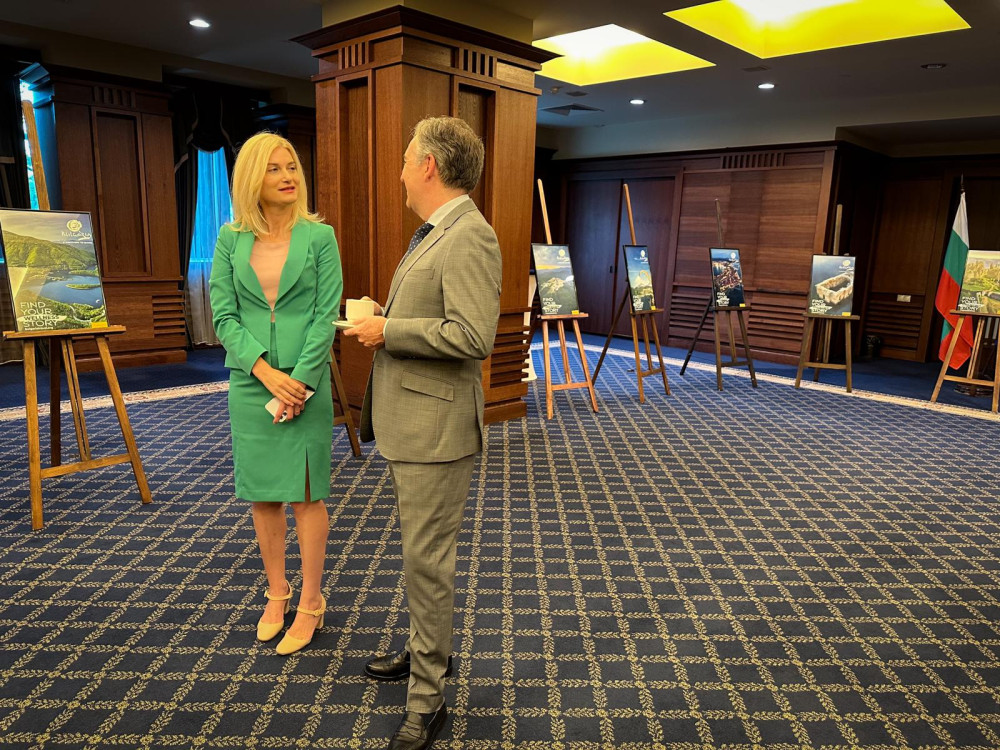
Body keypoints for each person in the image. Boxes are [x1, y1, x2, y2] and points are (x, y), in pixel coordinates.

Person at [343, 116, 502, 750]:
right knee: (419, 557)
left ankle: (427, 697)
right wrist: (388, 316)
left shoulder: (469, 235)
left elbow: (472, 336)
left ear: (429, 166)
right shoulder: (437, 230)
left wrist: (389, 331)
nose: (401, 172)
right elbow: (438, 316)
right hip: (416, 422)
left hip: (438, 432)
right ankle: (425, 650)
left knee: (426, 564)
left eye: (407, 159)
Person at [209, 132, 342, 656]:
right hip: (251, 381)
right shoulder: (230, 239)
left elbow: (324, 316)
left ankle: (311, 600)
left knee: (306, 494)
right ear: (251, 178)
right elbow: (224, 316)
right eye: (274, 168)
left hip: (306, 382)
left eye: (291, 167)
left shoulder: (320, 237)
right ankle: (276, 592)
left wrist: (300, 382)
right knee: (263, 494)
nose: (288, 176)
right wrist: (265, 373)